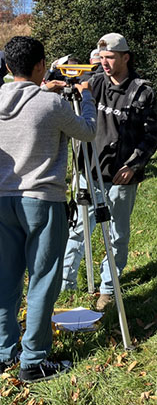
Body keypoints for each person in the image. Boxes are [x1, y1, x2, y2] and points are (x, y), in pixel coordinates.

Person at [0, 36, 96, 382]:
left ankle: (4, 350)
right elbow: (87, 131)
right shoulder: (50, 105)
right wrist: (85, 96)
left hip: (2, 200)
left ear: (9, 67)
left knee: (5, 279)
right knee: (42, 280)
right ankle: (34, 359)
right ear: (41, 65)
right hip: (41, 200)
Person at [61, 33, 157, 311]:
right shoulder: (93, 84)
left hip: (121, 176)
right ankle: (66, 285)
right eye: (101, 57)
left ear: (125, 57)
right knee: (78, 229)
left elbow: (152, 135)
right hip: (88, 171)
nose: (104, 63)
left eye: (110, 58)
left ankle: (109, 287)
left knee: (116, 234)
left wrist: (134, 165)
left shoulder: (142, 91)